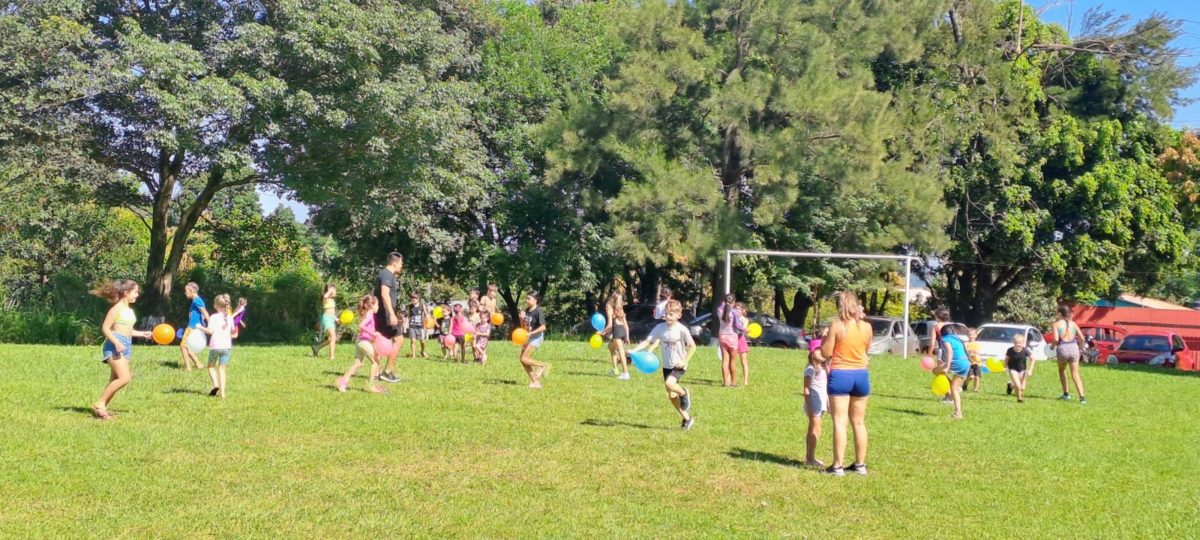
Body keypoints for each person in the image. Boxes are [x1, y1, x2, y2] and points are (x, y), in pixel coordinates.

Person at [820, 291, 873, 476]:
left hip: (841, 374)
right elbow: (866, 349)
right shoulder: (867, 327)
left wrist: (825, 337)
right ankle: (860, 465)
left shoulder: (837, 326)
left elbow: (826, 353)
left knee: (840, 422)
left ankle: (837, 466)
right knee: (859, 422)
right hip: (861, 375)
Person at [629, 299, 696, 430]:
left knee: (669, 384)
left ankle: (684, 394)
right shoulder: (660, 328)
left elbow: (692, 346)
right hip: (666, 366)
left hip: (679, 365)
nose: (667, 317)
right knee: (671, 396)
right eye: (666, 314)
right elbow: (647, 341)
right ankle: (687, 418)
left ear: (678, 315)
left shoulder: (682, 330)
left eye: (671, 314)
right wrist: (634, 351)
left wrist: (685, 361)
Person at [92, 280, 152, 420]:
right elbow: (106, 328)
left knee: (115, 379)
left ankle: (102, 409)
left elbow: (128, 331)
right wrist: (117, 342)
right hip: (114, 345)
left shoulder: (129, 310)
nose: (137, 295)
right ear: (126, 293)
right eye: (135, 292)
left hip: (126, 344)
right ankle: (99, 403)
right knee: (125, 377)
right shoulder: (116, 309)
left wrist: (143, 334)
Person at [335, 295, 386, 394]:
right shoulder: (370, 314)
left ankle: (342, 382)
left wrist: (373, 338)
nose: (378, 307)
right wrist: (373, 334)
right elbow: (361, 326)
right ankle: (370, 386)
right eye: (377, 305)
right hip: (363, 342)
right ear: (371, 306)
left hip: (360, 342)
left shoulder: (368, 314)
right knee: (376, 362)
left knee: (357, 364)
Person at [373, 253, 404, 383]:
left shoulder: (385, 274)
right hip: (385, 314)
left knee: (379, 342)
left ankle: (375, 373)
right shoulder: (387, 275)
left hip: (382, 314)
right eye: (401, 263)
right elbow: (384, 294)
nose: (402, 266)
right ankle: (387, 372)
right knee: (399, 340)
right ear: (395, 263)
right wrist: (391, 313)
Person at [198, 294, 234, 398]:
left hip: (215, 347)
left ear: (216, 305)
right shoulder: (230, 318)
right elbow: (232, 331)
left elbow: (210, 331)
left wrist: (200, 327)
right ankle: (223, 394)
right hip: (227, 347)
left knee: (210, 366)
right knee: (222, 369)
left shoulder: (213, 317)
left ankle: (215, 385)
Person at [803, 330, 829, 467]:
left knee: (815, 430)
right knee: (815, 430)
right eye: (819, 350)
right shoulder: (811, 369)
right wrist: (810, 406)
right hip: (813, 404)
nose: (823, 353)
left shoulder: (823, 369)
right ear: (813, 353)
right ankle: (810, 458)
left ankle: (810, 457)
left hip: (821, 403)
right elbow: (806, 389)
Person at [1052, 304, 1087, 404]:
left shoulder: (1056, 324)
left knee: (1062, 370)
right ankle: (1082, 397)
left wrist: (1052, 347)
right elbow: (1082, 338)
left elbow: (1055, 339)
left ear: (1059, 314)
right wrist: (1080, 348)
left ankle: (1066, 394)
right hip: (1074, 348)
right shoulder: (1074, 324)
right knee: (1076, 374)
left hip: (1063, 348)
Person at [939, 325, 971, 420]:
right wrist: (970, 360)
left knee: (935, 371)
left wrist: (947, 366)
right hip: (965, 363)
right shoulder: (957, 338)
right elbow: (965, 350)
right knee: (954, 387)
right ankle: (950, 394)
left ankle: (958, 413)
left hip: (957, 363)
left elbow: (950, 352)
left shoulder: (945, 338)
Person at [519, 293, 549, 388]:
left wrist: (531, 334)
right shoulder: (527, 310)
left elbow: (543, 327)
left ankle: (542, 365)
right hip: (528, 337)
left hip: (536, 337)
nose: (526, 300)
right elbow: (524, 327)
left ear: (535, 300)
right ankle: (536, 383)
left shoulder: (538, 311)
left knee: (524, 358)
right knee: (523, 361)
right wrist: (521, 319)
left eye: (529, 298)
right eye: (526, 298)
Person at [179, 282, 209, 371]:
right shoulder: (196, 300)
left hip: (193, 327)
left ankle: (188, 367)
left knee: (183, 346)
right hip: (193, 326)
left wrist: (210, 323)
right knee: (188, 346)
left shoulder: (196, 300)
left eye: (186, 291)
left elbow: (204, 312)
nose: (185, 293)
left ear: (191, 291)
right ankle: (198, 364)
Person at [602, 291, 631, 380]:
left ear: (611, 299)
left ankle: (626, 374)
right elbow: (625, 325)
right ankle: (615, 369)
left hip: (617, 332)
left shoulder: (610, 309)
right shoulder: (620, 309)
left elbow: (610, 325)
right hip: (621, 331)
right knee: (611, 348)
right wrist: (627, 336)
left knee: (621, 352)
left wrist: (602, 332)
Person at [717, 294, 740, 387]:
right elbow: (739, 326)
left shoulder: (719, 311)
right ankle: (733, 382)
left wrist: (724, 303)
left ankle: (725, 382)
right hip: (732, 337)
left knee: (725, 360)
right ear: (734, 302)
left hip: (722, 336)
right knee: (732, 361)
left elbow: (721, 306)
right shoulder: (734, 313)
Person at [313, 284, 338, 360]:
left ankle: (316, 348)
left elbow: (332, 312)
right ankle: (331, 356)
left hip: (331, 319)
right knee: (333, 337)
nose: (335, 291)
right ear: (329, 291)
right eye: (334, 290)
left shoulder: (332, 300)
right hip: (327, 319)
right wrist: (330, 290)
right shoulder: (326, 299)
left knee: (331, 339)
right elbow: (325, 296)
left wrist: (336, 318)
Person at [1005, 333, 1033, 403]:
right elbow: (1006, 359)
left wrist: (1030, 370)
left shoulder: (1025, 350)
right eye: (1016, 343)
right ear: (1013, 343)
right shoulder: (1010, 350)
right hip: (1012, 369)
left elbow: (1033, 359)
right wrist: (1005, 367)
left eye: (1020, 343)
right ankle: (1019, 398)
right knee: (1018, 386)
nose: (1018, 344)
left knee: (1022, 388)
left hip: (1022, 370)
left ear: (1023, 343)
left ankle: (1010, 386)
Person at [406, 292, 428, 358]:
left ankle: (422, 351)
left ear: (418, 299)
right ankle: (413, 355)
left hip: (420, 326)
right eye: (412, 299)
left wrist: (427, 323)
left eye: (415, 299)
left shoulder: (422, 305)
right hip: (412, 326)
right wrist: (406, 325)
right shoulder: (409, 306)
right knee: (413, 341)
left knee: (422, 341)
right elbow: (408, 316)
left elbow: (426, 315)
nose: (413, 300)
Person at [736, 302, 751, 386]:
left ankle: (745, 380)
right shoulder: (732, 318)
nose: (737, 311)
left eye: (739, 309)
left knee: (744, 362)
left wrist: (745, 330)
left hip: (741, 341)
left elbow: (743, 328)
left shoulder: (745, 319)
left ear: (743, 310)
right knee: (732, 361)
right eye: (736, 309)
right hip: (733, 340)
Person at [473, 300, 492, 366]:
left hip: (483, 340)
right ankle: (482, 364)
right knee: (478, 350)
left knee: (477, 346)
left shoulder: (488, 326)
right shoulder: (478, 324)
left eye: (484, 318)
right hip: (478, 339)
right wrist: (474, 334)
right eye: (481, 318)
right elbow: (475, 331)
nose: (482, 320)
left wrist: (479, 333)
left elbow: (487, 334)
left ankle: (484, 355)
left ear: (488, 318)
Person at [965, 327, 982, 392]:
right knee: (971, 377)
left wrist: (970, 352)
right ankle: (965, 384)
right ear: (967, 335)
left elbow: (976, 352)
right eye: (969, 335)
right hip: (969, 363)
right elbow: (966, 352)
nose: (971, 336)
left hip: (977, 363)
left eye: (973, 335)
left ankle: (975, 389)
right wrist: (971, 352)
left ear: (976, 335)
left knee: (977, 377)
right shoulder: (966, 344)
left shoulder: (977, 344)